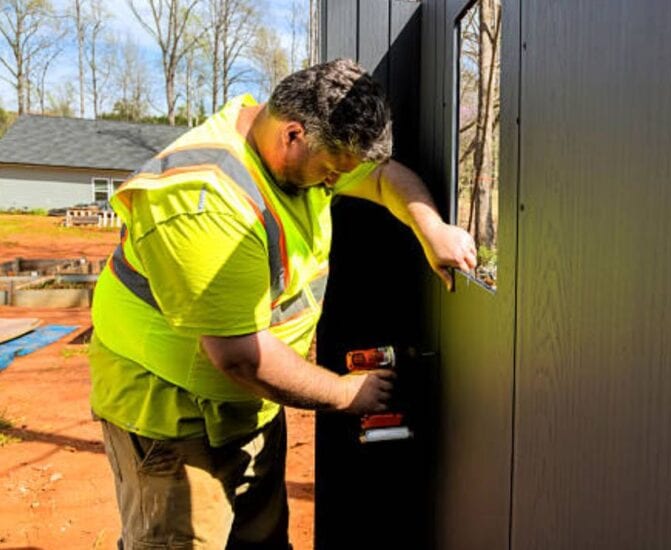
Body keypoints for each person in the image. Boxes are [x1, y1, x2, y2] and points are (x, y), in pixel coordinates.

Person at [89, 58, 476, 549]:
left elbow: (382, 178)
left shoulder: (294, 146)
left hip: (248, 404)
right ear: (293, 134)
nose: (334, 183)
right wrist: (344, 393)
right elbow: (240, 356)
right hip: (175, 417)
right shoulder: (204, 200)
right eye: (331, 172)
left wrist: (431, 227)